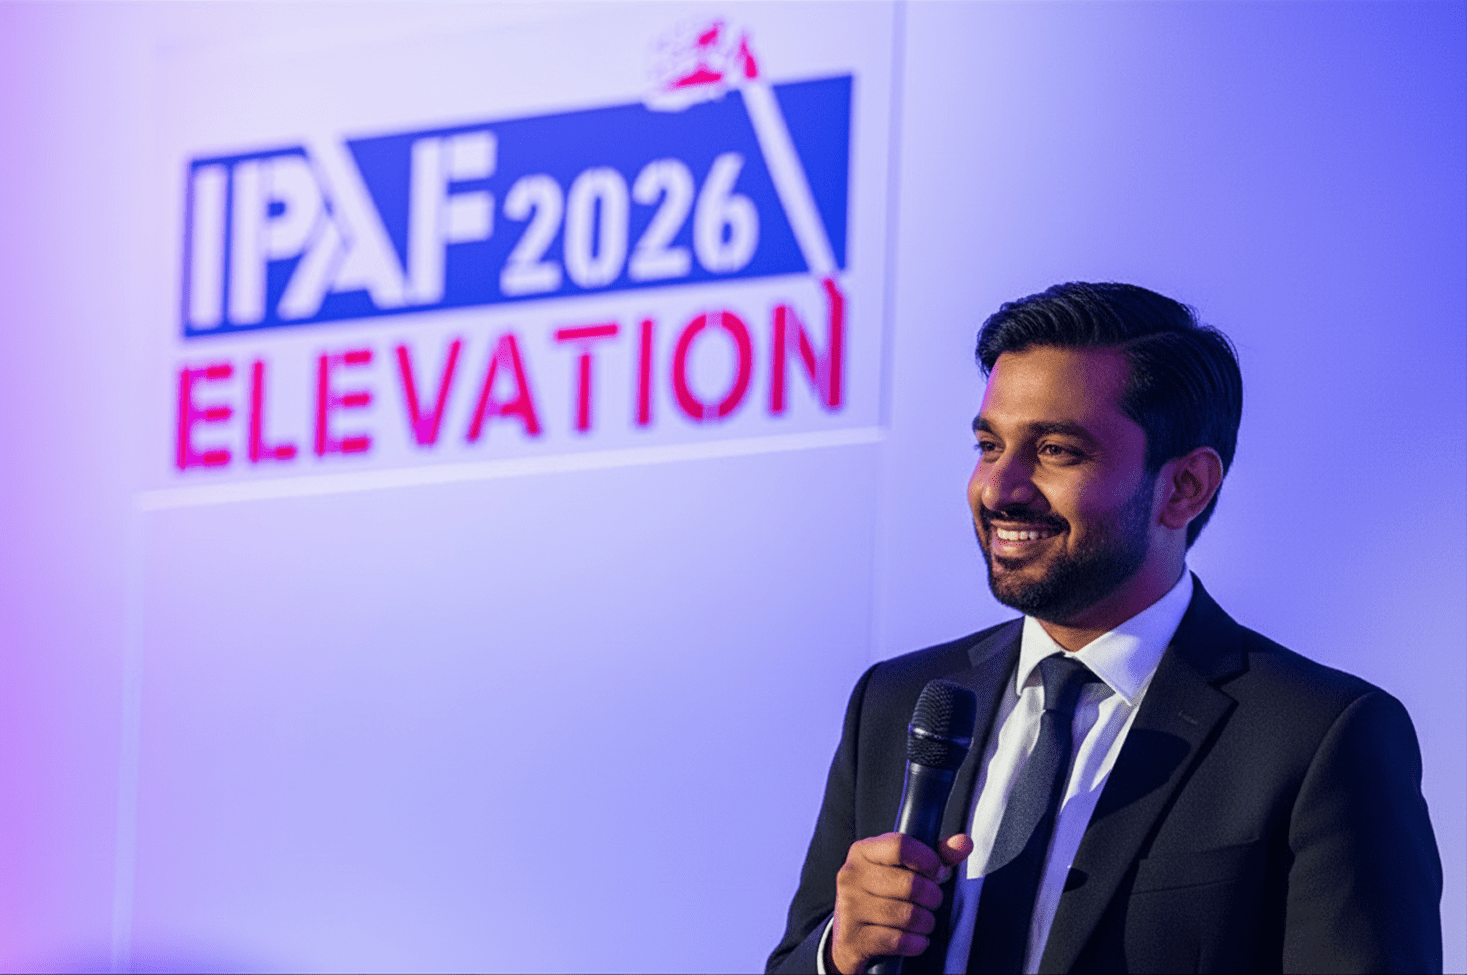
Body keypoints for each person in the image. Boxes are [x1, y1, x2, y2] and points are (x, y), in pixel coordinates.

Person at [766, 283, 1442, 974]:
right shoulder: (898, 699)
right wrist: (838, 951)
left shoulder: (1317, 735)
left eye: (1056, 450)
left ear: (1184, 487)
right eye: (988, 443)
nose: (1000, 488)